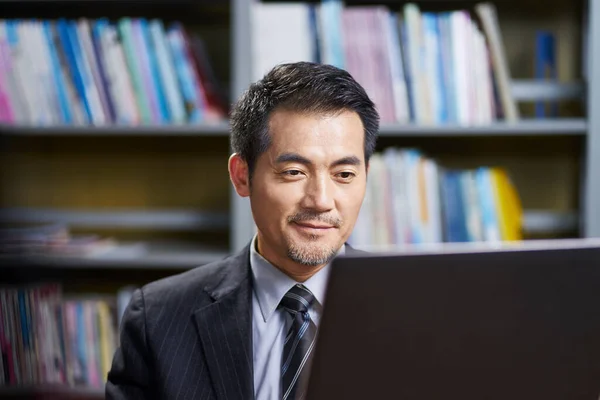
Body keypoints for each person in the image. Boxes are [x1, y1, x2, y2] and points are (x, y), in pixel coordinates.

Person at [105, 61, 380, 400]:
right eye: (294, 172)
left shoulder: (418, 309)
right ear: (241, 175)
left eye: (344, 175)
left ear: (366, 175)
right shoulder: (157, 320)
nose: (321, 201)